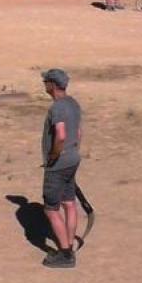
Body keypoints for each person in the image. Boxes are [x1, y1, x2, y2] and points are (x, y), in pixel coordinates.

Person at [39, 68, 83, 268]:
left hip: (59, 164)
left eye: (45, 82)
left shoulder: (57, 108)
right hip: (73, 158)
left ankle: (65, 254)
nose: (44, 85)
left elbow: (61, 134)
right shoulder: (73, 104)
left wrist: (54, 157)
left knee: (50, 209)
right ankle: (70, 244)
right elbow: (79, 133)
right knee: (69, 203)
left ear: (52, 85)